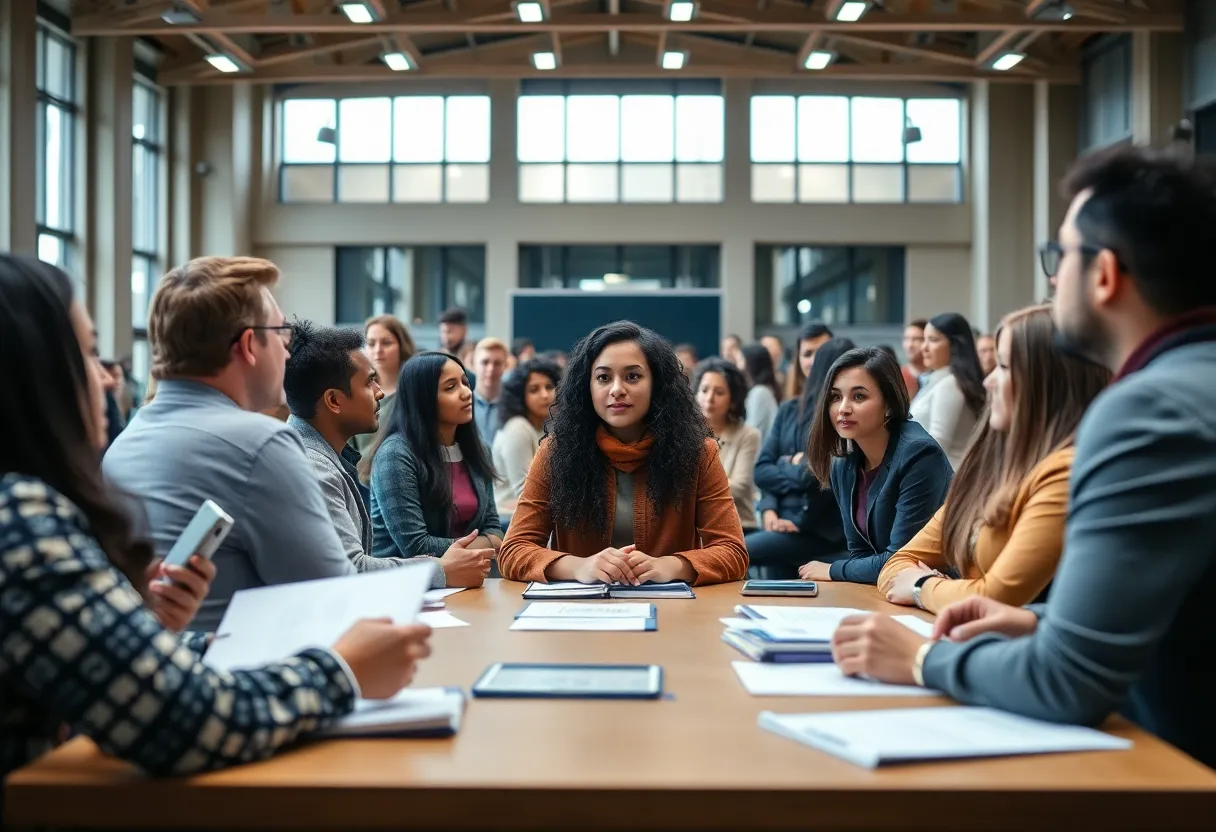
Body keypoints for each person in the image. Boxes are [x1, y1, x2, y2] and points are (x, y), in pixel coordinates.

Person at [828, 145, 1216, 768]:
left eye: (1059, 257)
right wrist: (1041, 622)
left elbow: (1071, 682)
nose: (1053, 277)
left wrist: (922, 659)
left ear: (1105, 275)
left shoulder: (1150, 410)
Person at [0, 254, 432, 779]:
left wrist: (144, 628)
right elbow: (184, 718)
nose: (106, 380)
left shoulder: (121, 444)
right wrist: (342, 671)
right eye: (89, 354)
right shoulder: (20, 522)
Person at [103, 257, 357, 633]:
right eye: (282, 336)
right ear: (250, 345)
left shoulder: (123, 445)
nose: (288, 353)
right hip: (246, 678)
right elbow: (336, 600)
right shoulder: (261, 444)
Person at [876, 304, 1110, 611]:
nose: (988, 381)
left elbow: (995, 598)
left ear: (1046, 382)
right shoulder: (988, 466)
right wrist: (946, 591)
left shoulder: (1064, 471)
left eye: (1003, 366)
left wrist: (923, 586)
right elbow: (895, 567)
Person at [499, 321, 748, 586]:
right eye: (603, 378)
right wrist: (578, 566)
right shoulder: (555, 452)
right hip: (581, 613)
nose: (617, 389)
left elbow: (733, 553)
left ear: (656, 384)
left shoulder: (699, 453)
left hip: (671, 613)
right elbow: (513, 550)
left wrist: (671, 565)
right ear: (588, 387)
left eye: (633, 376)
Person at [284, 319, 467, 582]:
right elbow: (352, 569)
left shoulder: (322, 457)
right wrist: (440, 570)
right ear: (334, 400)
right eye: (369, 382)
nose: (380, 393)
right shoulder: (314, 469)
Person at [798, 348, 952, 584]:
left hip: (937, 588)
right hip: (885, 587)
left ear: (889, 404)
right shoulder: (843, 465)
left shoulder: (919, 454)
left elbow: (900, 560)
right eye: (836, 397)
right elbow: (859, 552)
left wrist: (832, 570)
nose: (843, 408)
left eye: (859, 397)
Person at [370, 352, 500, 584]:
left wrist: (491, 540)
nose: (466, 393)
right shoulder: (395, 455)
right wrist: (487, 543)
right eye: (450, 387)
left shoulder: (479, 450)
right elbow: (416, 546)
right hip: (404, 586)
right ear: (423, 399)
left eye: (465, 383)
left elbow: (494, 528)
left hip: (467, 582)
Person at [744, 337, 855, 578]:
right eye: (806, 353)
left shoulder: (842, 416)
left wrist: (786, 465)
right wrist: (770, 509)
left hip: (818, 530)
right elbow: (762, 469)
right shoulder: (790, 409)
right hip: (780, 521)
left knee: (741, 549)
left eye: (817, 354)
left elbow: (817, 476)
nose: (811, 361)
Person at [910, 312, 985, 469]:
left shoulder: (950, 384)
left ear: (955, 344)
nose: (924, 347)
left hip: (945, 481)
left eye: (933, 340)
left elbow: (937, 443)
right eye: (924, 340)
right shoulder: (939, 381)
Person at [693, 358, 761, 530]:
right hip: (693, 526)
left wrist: (692, 488)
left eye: (719, 392)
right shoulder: (684, 432)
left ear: (733, 400)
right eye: (704, 390)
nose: (709, 399)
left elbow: (738, 486)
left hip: (738, 526)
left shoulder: (747, 435)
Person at [492, 358, 561, 516]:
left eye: (549, 387)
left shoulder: (544, 425)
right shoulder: (518, 428)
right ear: (520, 396)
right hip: (508, 518)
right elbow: (525, 493)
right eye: (534, 390)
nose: (545, 395)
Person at [352, 314, 416, 458]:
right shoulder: (356, 391)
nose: (378, 350)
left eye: (386, 343)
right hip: (359, 477)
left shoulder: (415, 392)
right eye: (371, 343)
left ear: (402, 345)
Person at [738, 344, 781, 441]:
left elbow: (751, 433)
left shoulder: (759, 393)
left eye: (741, 360)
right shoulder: (763, 390)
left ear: (750, 363)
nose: (738, 365)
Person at [472, 337, 509, 447]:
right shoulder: (462, 405)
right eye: (485, 362)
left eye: (497, 363)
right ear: (474, 364)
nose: (491, 369)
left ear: (505, 366)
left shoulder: (514, 407)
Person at [783, 322, 833, 402]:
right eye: (807, 354)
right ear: (798, 360)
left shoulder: (844, 408)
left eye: (822, 352)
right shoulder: (787, 410)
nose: (814, 361)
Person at [901, 318, 928, 398]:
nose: (909, 345)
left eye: (916, 339)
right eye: (906, 339)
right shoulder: (898, 376)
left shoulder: (937, 377)